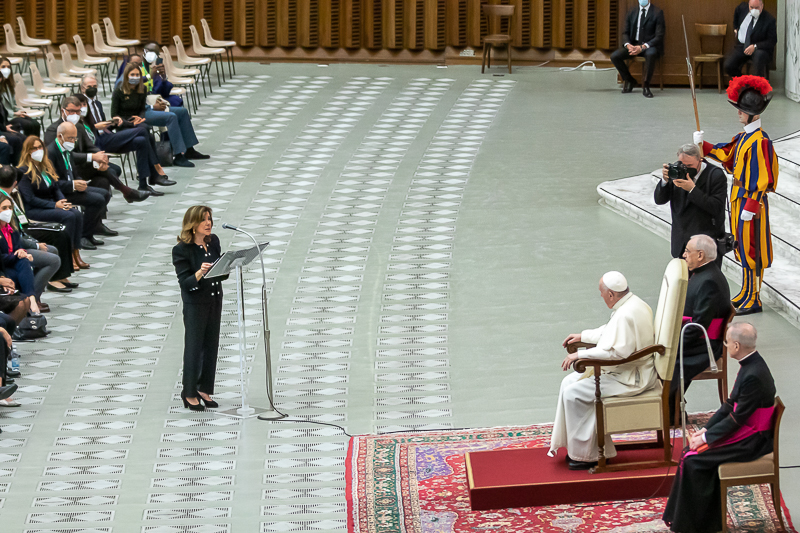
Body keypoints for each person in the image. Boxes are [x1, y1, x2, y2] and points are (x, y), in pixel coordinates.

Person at [663, 322, 776, 533]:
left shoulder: (753, 374)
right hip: (747, 431)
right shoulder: (751, 364)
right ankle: (684, 520)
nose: (724, 345)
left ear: (735, 346)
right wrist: (705, 431)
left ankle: (698, 525)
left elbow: (736, 419)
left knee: (694, 459)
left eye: (726, 341)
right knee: (690, 452)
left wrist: (706, 440)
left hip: (754, 440)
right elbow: (729, 405)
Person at [548, 271, 656, 469]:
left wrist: (579, 355)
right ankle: (576, 447)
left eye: (601, 292)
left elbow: (616, 353)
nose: (600, 295)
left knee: (573, 393)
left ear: (611, 294)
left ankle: (589, 455)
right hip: (625, 370)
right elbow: (609, 330)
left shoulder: (626, 314)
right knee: (568, 383)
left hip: (631, 377)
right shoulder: (633, 303)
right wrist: (583, 336)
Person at [695, 75, 778, 315]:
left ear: (753, 114)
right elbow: (727, 155)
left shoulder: (761, 142)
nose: (738, 113)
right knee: (741, 246)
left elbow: (763, 178)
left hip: (751, 201)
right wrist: (705, 146)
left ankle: (754, 298)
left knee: (752, 249)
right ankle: (746, 290)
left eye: (742, 110)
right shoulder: (744, 138)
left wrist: (751, 205)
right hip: (738, 197)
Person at [668, 235, 731, 422]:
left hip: (705, 345)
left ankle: (672, 414)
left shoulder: (709, 281)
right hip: (694, 338)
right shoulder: (701, 274)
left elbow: (699, 326)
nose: (684, 255)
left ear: (701, 255)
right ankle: (672, 410)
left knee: (666, 361)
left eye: (688, 251)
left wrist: (674, 345)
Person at [172, 206, 227, 412]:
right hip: (195, 303)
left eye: (210, 219)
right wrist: (199, 273)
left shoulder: (213, 242)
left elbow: (221, 274)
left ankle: (204, 388)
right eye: (203, 220)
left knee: (211, 345)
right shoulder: (181, 250)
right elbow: (185, 283)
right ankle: (189, 392)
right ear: (192, 224)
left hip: (214, 299)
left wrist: (225, 267)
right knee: (194, 347)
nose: (208, 223)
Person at [79, 75, 173, 194]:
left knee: (142, 140)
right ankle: (156, 171)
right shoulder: (80, 105)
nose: (92, 89)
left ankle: (143, 184)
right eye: (89, 87)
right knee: (143, 130)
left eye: (94, 86)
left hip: (107, 135)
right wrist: (96, 127)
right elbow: (80, 128)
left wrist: (116, 122)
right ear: (82, 89)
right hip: (96, 142)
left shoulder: (97, 104)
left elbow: (104, 124)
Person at [113, 63, 208, 169]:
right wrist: (154, 107)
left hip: (146, 109)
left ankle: (189, 149)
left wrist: (154, 106)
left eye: (137, 75)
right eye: (132, 75)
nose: (135, 77)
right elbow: (119, 113)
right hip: (138, 116)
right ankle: (179, 155)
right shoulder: (120, 90)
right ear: (126, 75)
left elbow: (143, 104)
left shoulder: (141, 88)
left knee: (182, 111)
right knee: (171, 117)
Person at [0, 165, 77, 293]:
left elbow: (16, 231)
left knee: (56, 242)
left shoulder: (10, 197)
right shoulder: (4, 200)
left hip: (20, 235)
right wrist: (35, 245)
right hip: (12, 248)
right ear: (15, 183)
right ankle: (33, 295)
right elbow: (15, 235)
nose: (7, 210)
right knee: (53, 258)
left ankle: (46, 286)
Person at [16, 136, 89, 270]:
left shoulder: (45, 166)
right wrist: (54, 205)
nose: (38, 150)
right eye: (34, 148)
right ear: (28, 151)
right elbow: (30, 198)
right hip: (35, 209)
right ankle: (68, 256)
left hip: (51, 205)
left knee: (76, 214)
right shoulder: (24, 171)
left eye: (40, 147)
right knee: (69, 216)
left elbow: (55, 188)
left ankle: (75, 251)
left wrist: (62, 201)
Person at [655, 144, 727, 267]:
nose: (686, 169)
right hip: (681, 245)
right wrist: (665, 181)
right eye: (683, 165)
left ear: (700, 160)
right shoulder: (677, 172)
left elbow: (716, 208)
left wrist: (692, 190)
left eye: (690, 166)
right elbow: (659, 200)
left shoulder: (715, 176)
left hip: (704, 248)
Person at [47, 122, 112, 249]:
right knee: (97, 200)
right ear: (60, 136)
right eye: (70, 138)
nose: (73, 141)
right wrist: (72, 185)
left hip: (72, 187)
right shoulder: (51, 153)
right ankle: (83, 235)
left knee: (105, 194)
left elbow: (74, 172)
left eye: (75, 138)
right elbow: (51, 183)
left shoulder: (67, 150)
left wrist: (80, 181)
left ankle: (89, 232)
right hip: (60, 193)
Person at [610, 0, 665, 98]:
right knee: (615, 56)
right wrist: (627, 45)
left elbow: (659, 36)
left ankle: (646, 85)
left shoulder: (657, 12)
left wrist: (643, 47)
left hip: (649, 46)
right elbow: (625, 32)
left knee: (651, 54)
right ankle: (630, 80)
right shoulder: (632, 11)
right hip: (633, 45)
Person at [0, 197, 43, 315]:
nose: (8, 211)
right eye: (4, 208)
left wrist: (21, 252)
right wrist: (17, 256)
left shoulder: (11, 229)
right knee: (23, 265)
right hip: (2, 268)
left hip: (13, 263)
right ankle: (32, 302)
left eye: (10, 208)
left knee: (24, 262)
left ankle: (31, 301)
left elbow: (17, 247)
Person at [724, 0, 777, 79]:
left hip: (759, 48)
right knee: (728, 65)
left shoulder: (769, 20)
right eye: (751, 7)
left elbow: (772, 41)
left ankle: (757, 87)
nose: (754, 10)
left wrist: (755, 46)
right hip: (742, 46)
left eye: (757, 7)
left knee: (758, 60)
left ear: (762, 6)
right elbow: (737, 12)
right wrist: (735, 27)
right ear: (748, 5)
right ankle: (744, 82)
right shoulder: (742, 8)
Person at [0, 57, 40, 138]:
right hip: (6, 118)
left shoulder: (8, 84)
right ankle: (28, 147)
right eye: (3, 67)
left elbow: (14, 104)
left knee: (36, 124)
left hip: (13, 114)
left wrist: (19, 111)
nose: (6, 69)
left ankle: (36, 145)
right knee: (29, 125)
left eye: (8, 67)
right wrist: (15, 114)